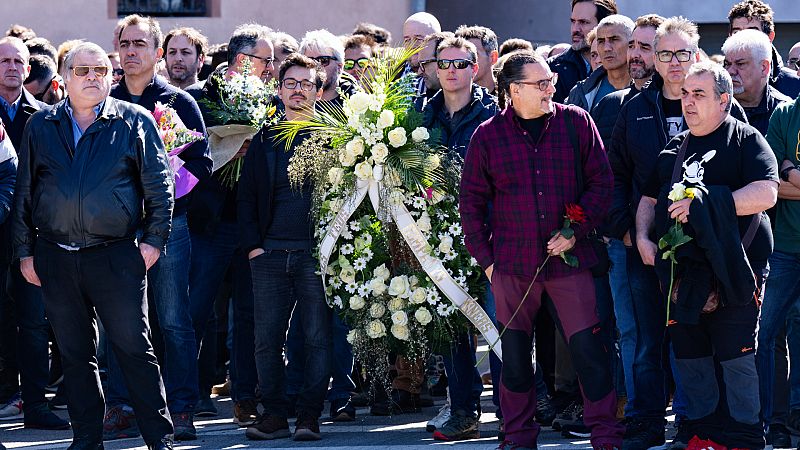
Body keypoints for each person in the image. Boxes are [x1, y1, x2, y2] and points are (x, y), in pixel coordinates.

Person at [12, 41, 175, 450]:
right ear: (63, 79)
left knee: (134, 348)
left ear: (111, 76)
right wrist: (24, 251)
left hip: (116, 255)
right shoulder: (41, 125)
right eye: (82, 70)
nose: (91, 78)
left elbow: (160, 187)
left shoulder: (135, 121)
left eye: (100, 70)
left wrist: (153, 241)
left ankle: (160, 438)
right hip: (55, 255)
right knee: (74, 354)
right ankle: (86, 438)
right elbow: (25, 193)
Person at [460, 51, 624, 450]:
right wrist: (488, 263)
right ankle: (518, 437)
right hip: (512, 267)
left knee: (589, 350)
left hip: (571, 263)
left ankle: (606, 435)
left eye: (550, 80)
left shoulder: (576, 122)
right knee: (514, 358)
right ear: (513, 90)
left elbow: (602, 183)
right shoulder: (487, 136)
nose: (551, 88)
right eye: (541, 84)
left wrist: (576, 231)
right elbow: (471, 204)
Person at [636, 61, 777, 450]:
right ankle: (699, 434)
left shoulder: (745, 139)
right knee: (690, 355)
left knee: (736, 357)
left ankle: (744, 438)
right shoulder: (673, 147)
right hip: (682, 276)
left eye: (699, 94)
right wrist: (644, 237)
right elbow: (649, 198)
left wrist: (706, 203)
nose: (689, 102)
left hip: (735, 271)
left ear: (724, 100)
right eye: (685, 94)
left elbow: (767, 193)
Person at [105, 14, 211, 442]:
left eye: (140, 44)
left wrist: (162, 204)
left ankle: (182, 407)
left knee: (172, 320)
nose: (131, 52)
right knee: (117, 321)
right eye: (124, 44)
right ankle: (121, 405)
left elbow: (200, 165)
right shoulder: (104, 101)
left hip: (170, 228)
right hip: (113, 232)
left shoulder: (178, 103)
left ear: (156, 53)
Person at [238, 52, 331, 442]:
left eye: (307, 84)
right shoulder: (265, 139)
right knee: (267, 339)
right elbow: (245, 198)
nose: (298, 91)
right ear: (278, 89)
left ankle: (309, 416)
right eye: (291, 83)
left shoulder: (334, 138)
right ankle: (273, 414)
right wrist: (254, 248)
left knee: (316, 337)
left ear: (319, 91)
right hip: (270, 254)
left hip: (316, 255)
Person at [184, 22, 272, 430]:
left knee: (248, 316)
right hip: (209, 222)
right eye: (265, 60)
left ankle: (246, 397)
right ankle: (188, 394)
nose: (271, 68)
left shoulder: (271, 104)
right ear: (242, 60)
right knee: (196, 311)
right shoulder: (200, 100)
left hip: (253, 226)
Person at [419, 36, 499, 442]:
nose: (451, 71)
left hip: (489, 234)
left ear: (475, 67)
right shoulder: (421, 117)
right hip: (438, 237)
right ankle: (464, 411)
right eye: (444, 63)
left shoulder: (495, 114)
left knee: (498, 325)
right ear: (434, 68)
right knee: (451, 327)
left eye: (461, 63)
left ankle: (510, 408)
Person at [0, 36, 69, 431]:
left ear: (28, 69)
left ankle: (35, 404)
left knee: (34, 322)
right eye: (4, 60)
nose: (11, 67)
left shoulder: (47, 117)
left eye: (18, 62)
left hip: (33, 236)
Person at [765, 86, 800, 441]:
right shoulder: (785, 115)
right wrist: (785, 172)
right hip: (785, 246)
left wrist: (791, 169)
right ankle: (773, 420)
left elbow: (783, 176)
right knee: (768, 334)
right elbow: (770, 183)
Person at [722, 29, 791, 135]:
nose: (730, 71)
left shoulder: (786, 112)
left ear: (764, 68)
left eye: (740, 64)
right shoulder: (714, 106)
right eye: (727, 64)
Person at [727, 0, 800, 98]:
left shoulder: (795, 84)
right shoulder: (717, 80)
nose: (742, 39)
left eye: (752, 33)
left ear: (770, 37)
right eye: (737, 32)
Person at [549, 0, 618, 102]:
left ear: (604, 25)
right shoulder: (553, 69)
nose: (575, 29)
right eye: (573, 21)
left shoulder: (624, 66)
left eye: (583, 22)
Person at [567, 14, 634, 112]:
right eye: (601, 41)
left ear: (631, 43)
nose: (606, 48)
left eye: (614, 39)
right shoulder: (580, 93)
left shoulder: (651, 89)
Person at [299, 29, 353, 107]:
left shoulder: (358, 106)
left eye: (323, 60)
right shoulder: (288, 103)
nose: (316, 66)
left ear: (339, 67)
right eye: (309, 61)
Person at [413, 31, 454, 111]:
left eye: (424, 64)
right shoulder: (421, 103)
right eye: (419, 65)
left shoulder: (478, 105)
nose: (419, 72)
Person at [454, 26, 499, 94]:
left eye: (473, 54)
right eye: (459, 56)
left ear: (493, 57)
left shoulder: (511, 97)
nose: (464, 61)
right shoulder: (447, 99)